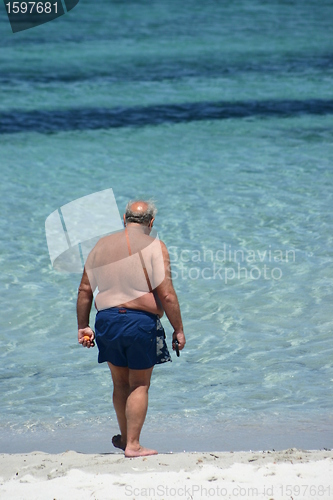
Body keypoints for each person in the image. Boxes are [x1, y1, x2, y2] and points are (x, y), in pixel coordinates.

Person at [76, 200, 185, 457]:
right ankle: (133, 446)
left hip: (107, 320)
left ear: (124, 219)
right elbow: (167, 295)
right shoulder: (155, 246)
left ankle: (126, 439)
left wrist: (83, 326)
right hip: (139, 323)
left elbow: (84, 290)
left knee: (119, 383)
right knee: (139, 384)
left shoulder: (100, 246)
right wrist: (178, 329)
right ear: (151, 223)